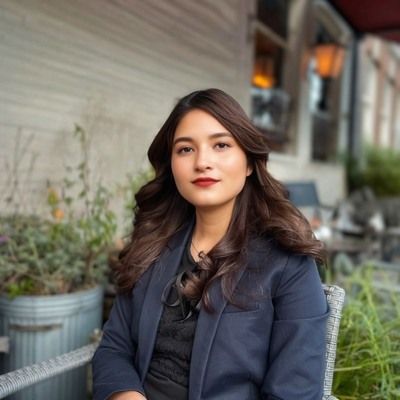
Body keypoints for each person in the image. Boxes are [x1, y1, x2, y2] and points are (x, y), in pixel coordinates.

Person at [92, 88, 329, 400]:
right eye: (185, 149)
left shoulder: (287, 263)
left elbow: (295, 391)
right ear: (171, 164)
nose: (202, 162)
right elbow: (114, 347)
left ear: (249, 162)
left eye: (221, 145)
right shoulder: (153, 244)